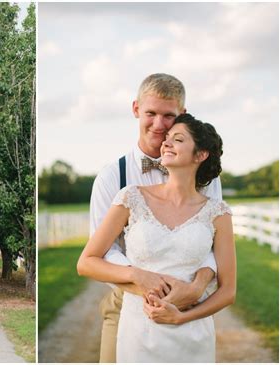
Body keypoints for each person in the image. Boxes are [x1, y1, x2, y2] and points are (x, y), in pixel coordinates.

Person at [78, 73, 222, 362]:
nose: (158, 125)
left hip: (190, 303)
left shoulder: (206, 178)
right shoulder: (111, 178)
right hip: (127, 302)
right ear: (135, 110)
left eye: (168, 116)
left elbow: (211, 240)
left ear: (182, 113)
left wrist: (195, 287)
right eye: (150, 113)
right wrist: (142, 280)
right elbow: (102, 252)